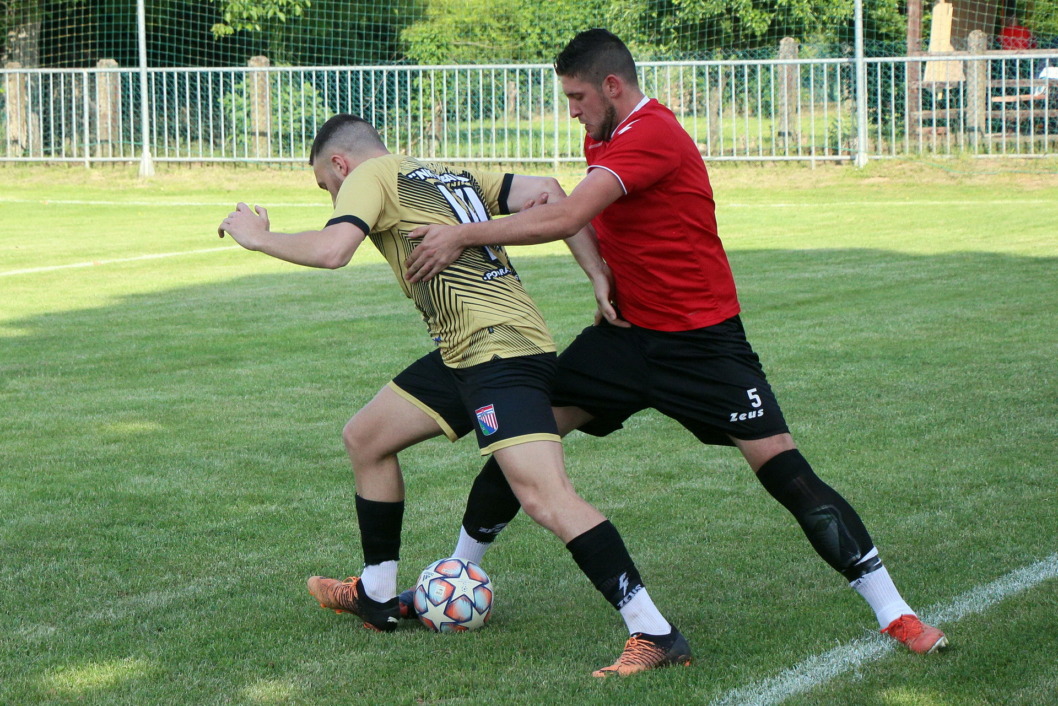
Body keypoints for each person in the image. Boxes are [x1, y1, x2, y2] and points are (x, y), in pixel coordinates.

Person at [403, 29, 949, 662]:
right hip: (625, 340)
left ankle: (897, 614)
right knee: (524, 437)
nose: (572, 110)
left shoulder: (652, 134)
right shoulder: (603, 134)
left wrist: (462, 234)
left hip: (703, 347)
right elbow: (588, 217)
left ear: (612, 86)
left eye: (578, 97)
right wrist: (601, 274)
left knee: (785, 472)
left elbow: (567, 215)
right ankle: (454, 577)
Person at [215, 113, 690, 677]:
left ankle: (654, 632)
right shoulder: (446, 172)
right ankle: (377, 595)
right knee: (366, 438)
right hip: (469, 348)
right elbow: (548, 190)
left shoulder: (370, 176)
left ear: (340, 163)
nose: (335, 197)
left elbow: (333, 249)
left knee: (546, 496)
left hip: (497, 353)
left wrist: (258, 238)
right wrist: (597, 273)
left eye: (327, 186)